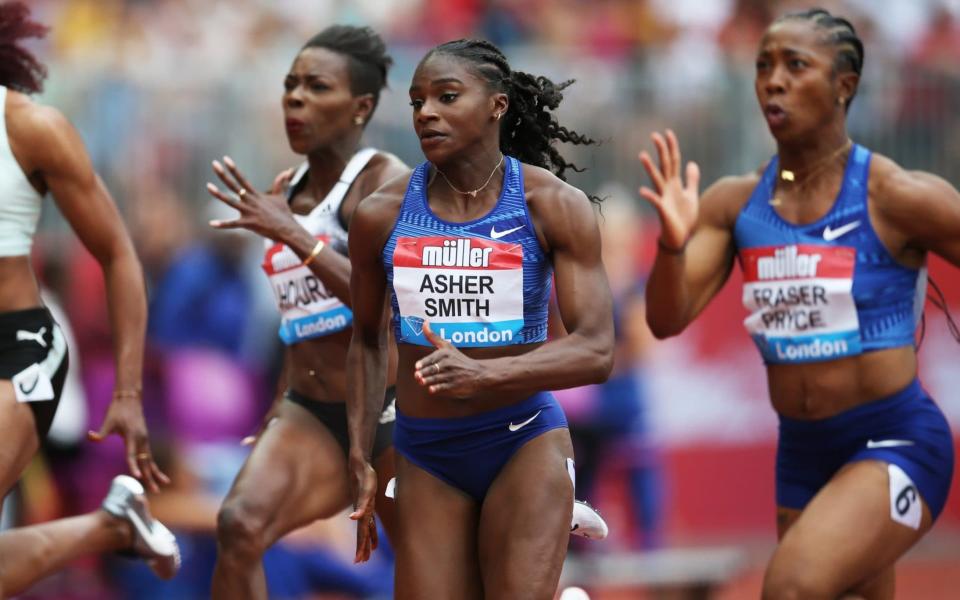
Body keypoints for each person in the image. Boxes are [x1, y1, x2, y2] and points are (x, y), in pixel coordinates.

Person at [638, 8, 957, 599]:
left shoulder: (894, 195)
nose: (773, 81)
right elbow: (665, 319)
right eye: (763, 66)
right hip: (803, 454)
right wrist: (670, 243)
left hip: (894, 440)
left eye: (795, 65)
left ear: (845, 85)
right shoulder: (737, 204)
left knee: (790, 586)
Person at [347, 38, 614, 599]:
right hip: (426, 452)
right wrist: (360, 452)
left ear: (497, 105)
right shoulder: (379, 215)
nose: (427, 113)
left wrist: (485, 375)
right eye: (417, 102)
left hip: (521, 440)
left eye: (447, 96)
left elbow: (596, 350)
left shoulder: (552, 204)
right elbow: (367, 342)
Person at [203, 25, 409, 600]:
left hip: (390, 416)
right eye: (290, 84)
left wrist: (292, 234)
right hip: (311, 413)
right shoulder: (284, 190)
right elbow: (300, 317)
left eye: (317, 87)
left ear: (360, 107)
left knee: (434, 577)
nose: (294, 97)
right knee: (239, 525)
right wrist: (280, 401)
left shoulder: (382, 182)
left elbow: (384, 307)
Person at [0, 2, 178, 596]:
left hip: (19, 348)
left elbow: (118, 254)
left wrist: (128, 393)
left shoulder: (31, 129)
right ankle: (109, 525)